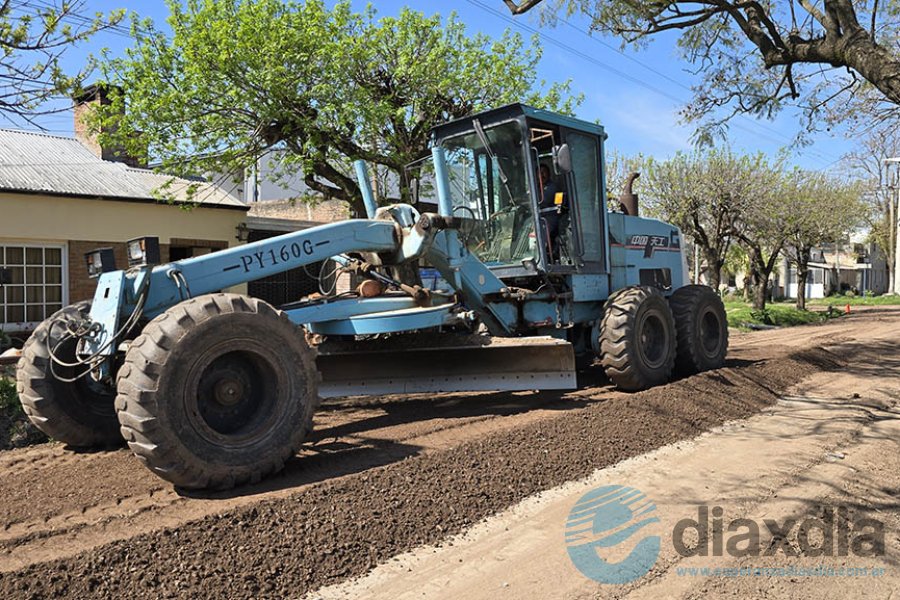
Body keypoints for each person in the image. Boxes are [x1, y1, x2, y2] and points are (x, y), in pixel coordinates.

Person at [538, 164, 561, 254]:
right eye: (539, 173)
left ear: (549, 174)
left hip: (551, 215)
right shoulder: (536, 187)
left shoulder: (552, 187)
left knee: (542, 227)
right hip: (539, 216)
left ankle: (543, 253)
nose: (542, 175)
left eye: (544, 172)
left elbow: (544, 200)